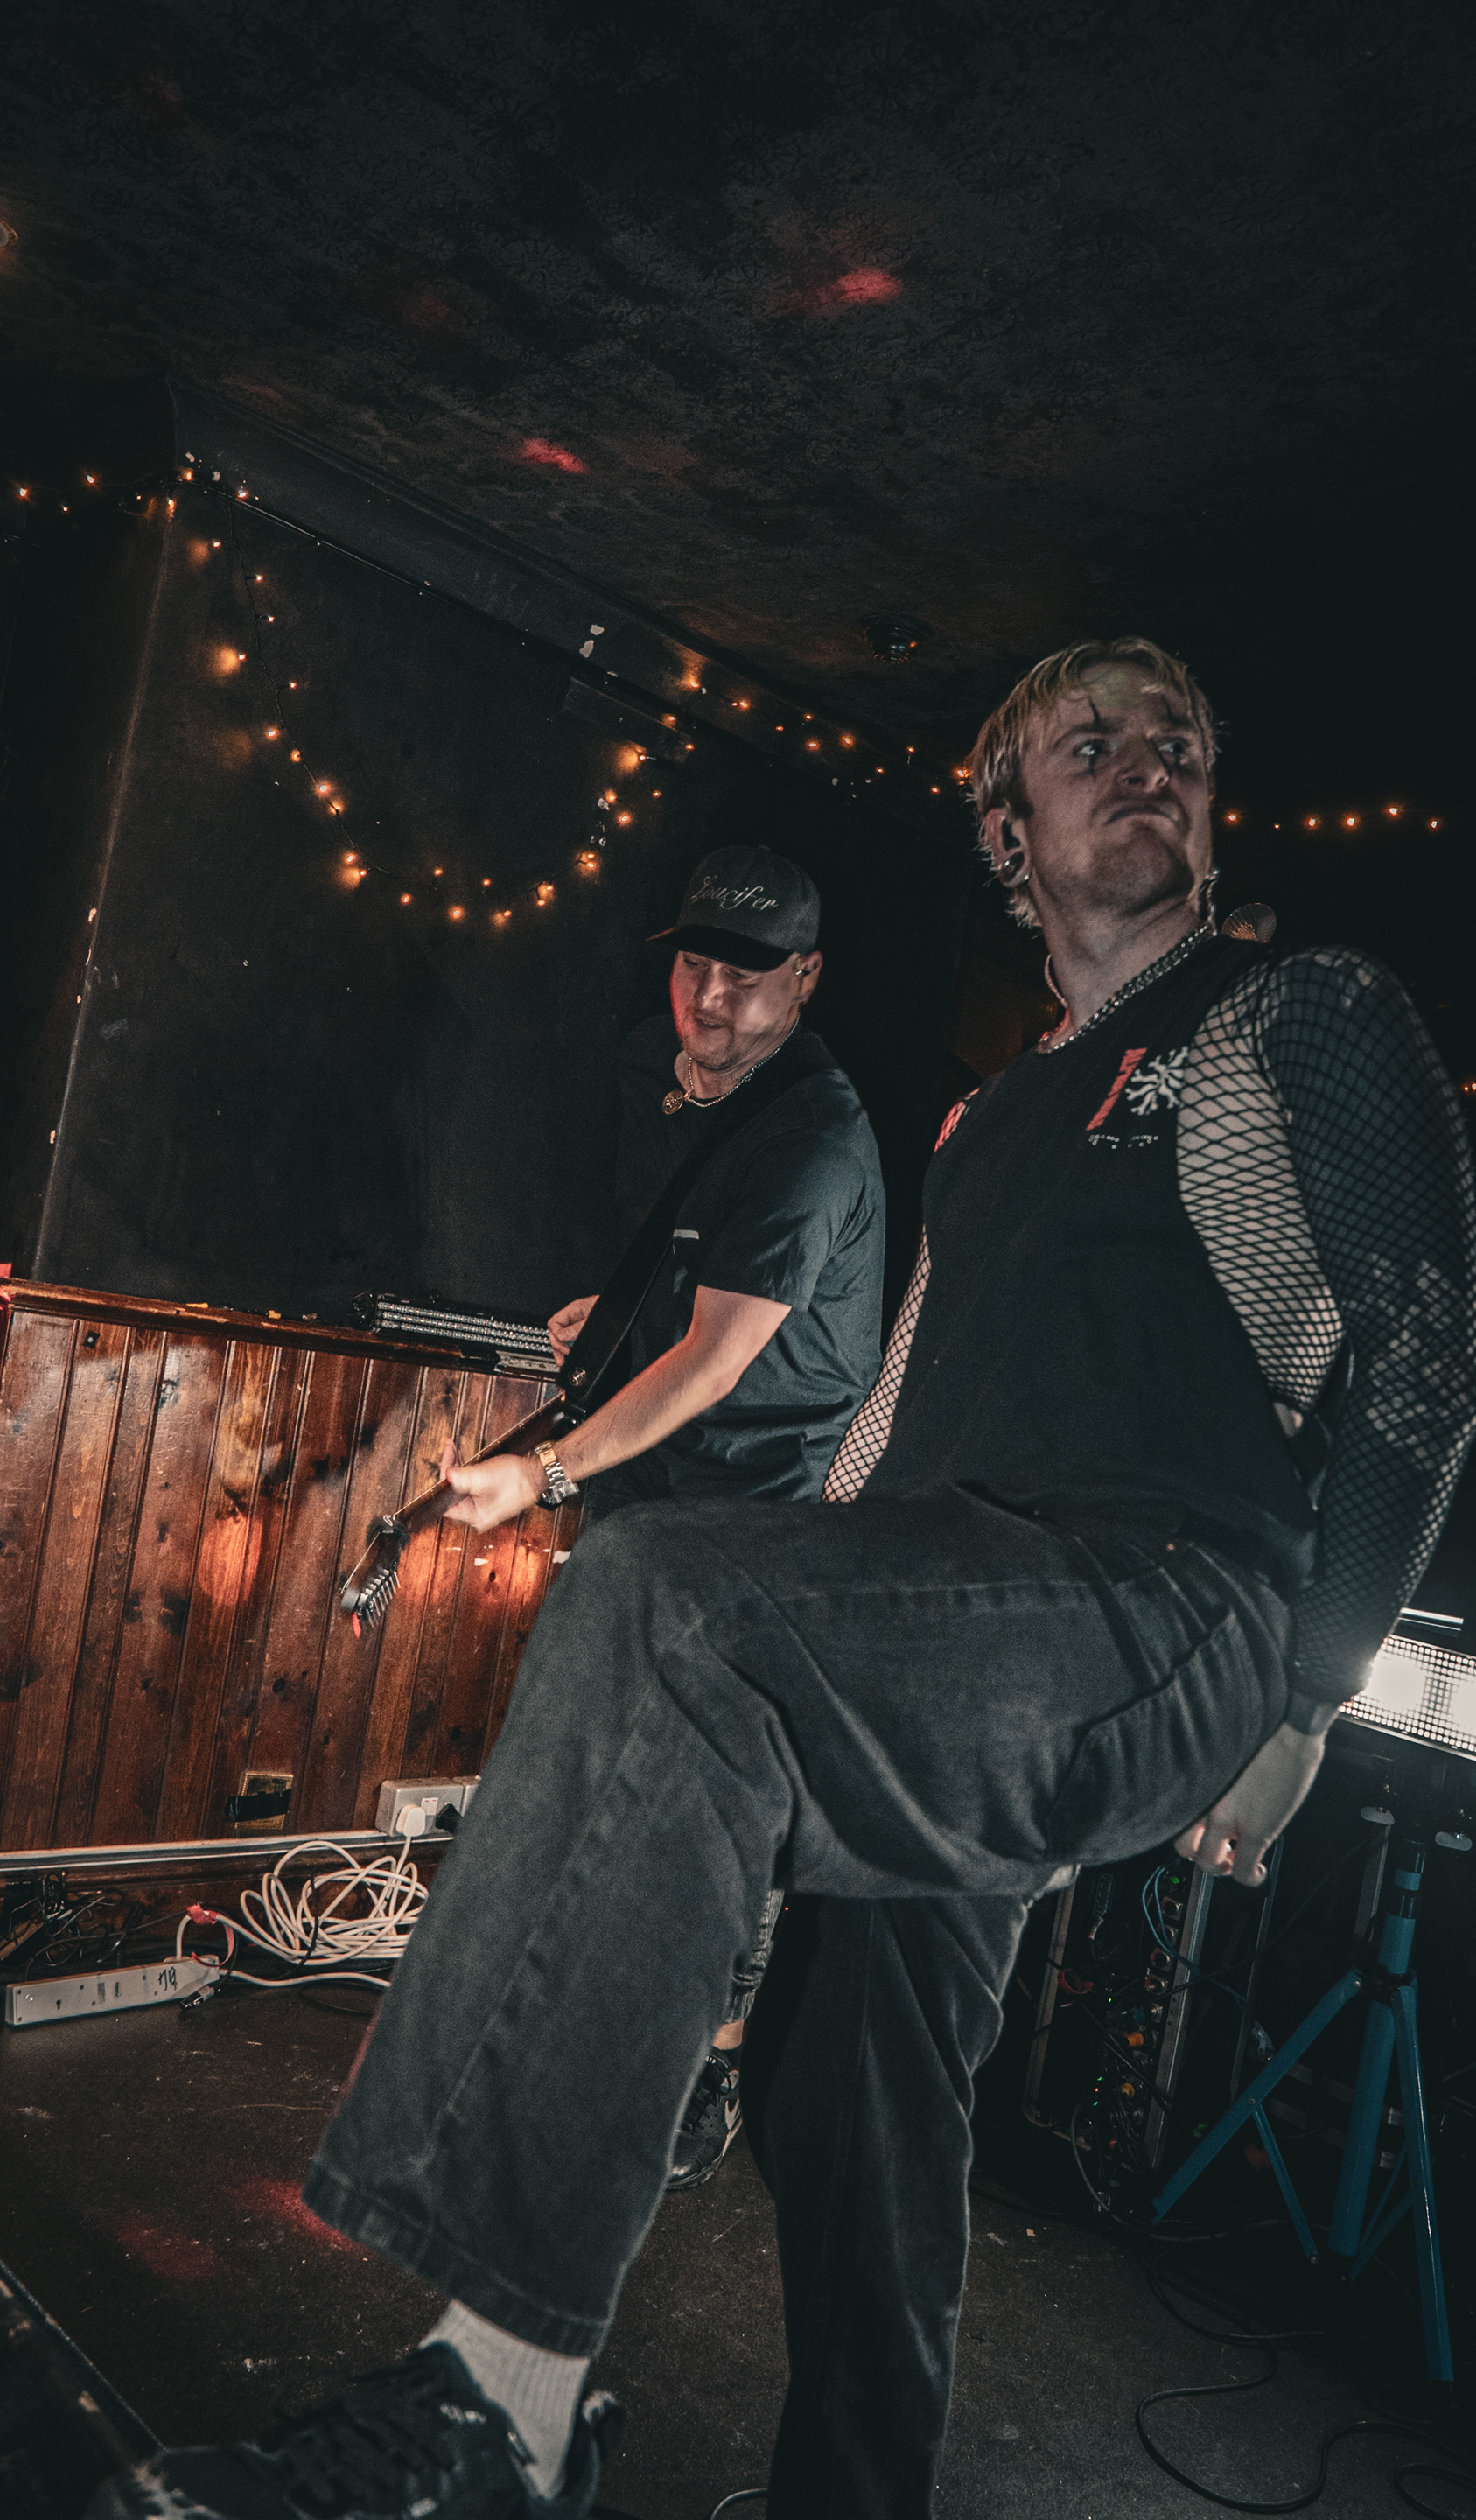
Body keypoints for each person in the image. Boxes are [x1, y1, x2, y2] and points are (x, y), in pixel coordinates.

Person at [89, 638, 1476, 2520]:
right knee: (847, 2075)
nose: (1143, 762)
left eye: (1176, 741)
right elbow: (889, 1418)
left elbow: (1421, 1357)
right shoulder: (989, 1119)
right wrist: (789, 1609)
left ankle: (495, 2414)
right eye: (1088, 745)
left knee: (660, 1601)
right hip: (954, 1618)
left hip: (1165, 1606)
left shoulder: (1282, 1016)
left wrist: (1308, 1691)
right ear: (1008, 831)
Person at [442, 843, 885, 2185]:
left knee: (716, 1795)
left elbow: (716, 1363)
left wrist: (542, 1472)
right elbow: (692, 1292)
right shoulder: (675, 1071)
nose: (712, 998)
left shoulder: (813, 1136)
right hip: (659, 1475)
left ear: (807, 979)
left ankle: (708, 2069)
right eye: (696, 965)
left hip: (760, 1497)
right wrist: (621, 1320)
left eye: (748, 977)